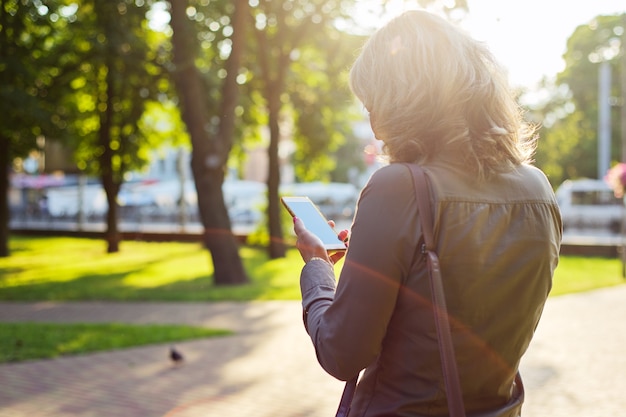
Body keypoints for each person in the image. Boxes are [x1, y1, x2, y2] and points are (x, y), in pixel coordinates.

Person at [292, 9, 562, 417]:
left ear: (408, 101)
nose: (376, 129)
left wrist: (316, 270)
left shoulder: (398, 187)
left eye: (375, 106)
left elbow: (342, 354)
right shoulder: (538, 189)